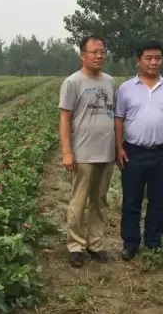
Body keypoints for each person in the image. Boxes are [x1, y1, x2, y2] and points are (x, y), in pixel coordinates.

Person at [114, 40, 163, 261]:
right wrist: (118, 147)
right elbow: (118, 120)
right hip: (133, 151)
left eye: (157, 58)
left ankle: (153, 242)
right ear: (138, 61)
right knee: (131, 200)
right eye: (148, 58)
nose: (154, 62)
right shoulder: (126, 89)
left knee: (158, 200)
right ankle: (130, 242)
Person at [58, 35, 116, 267]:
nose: (99, 56)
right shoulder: (73, 82)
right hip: (83, 151)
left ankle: (95, 243)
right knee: (79, 200)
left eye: (102, 52)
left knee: (99, 200)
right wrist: (67, 152)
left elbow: (114, 115)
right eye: (94, 52)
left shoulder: (110, 82)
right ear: (83, 55)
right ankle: (75, 245)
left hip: (106, 150)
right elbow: (65, 118)